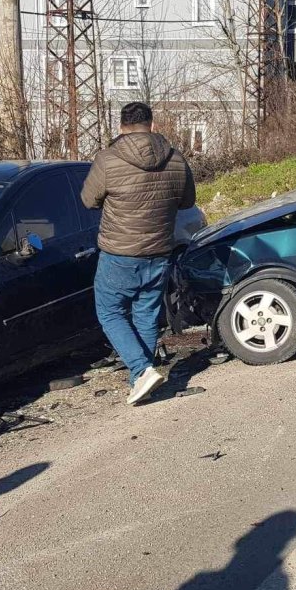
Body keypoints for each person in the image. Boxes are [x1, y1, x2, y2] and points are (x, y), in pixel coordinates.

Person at [81, 102, 196, 404]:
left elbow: (88, 200)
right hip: (159, 250)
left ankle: (141, 369)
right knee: (145, 315)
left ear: (121, 127)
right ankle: (141, 381)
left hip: (120, 252)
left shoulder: (107, 159)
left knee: (109, 312)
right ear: (151, 124)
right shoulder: (176, 158)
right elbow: (187, 202)